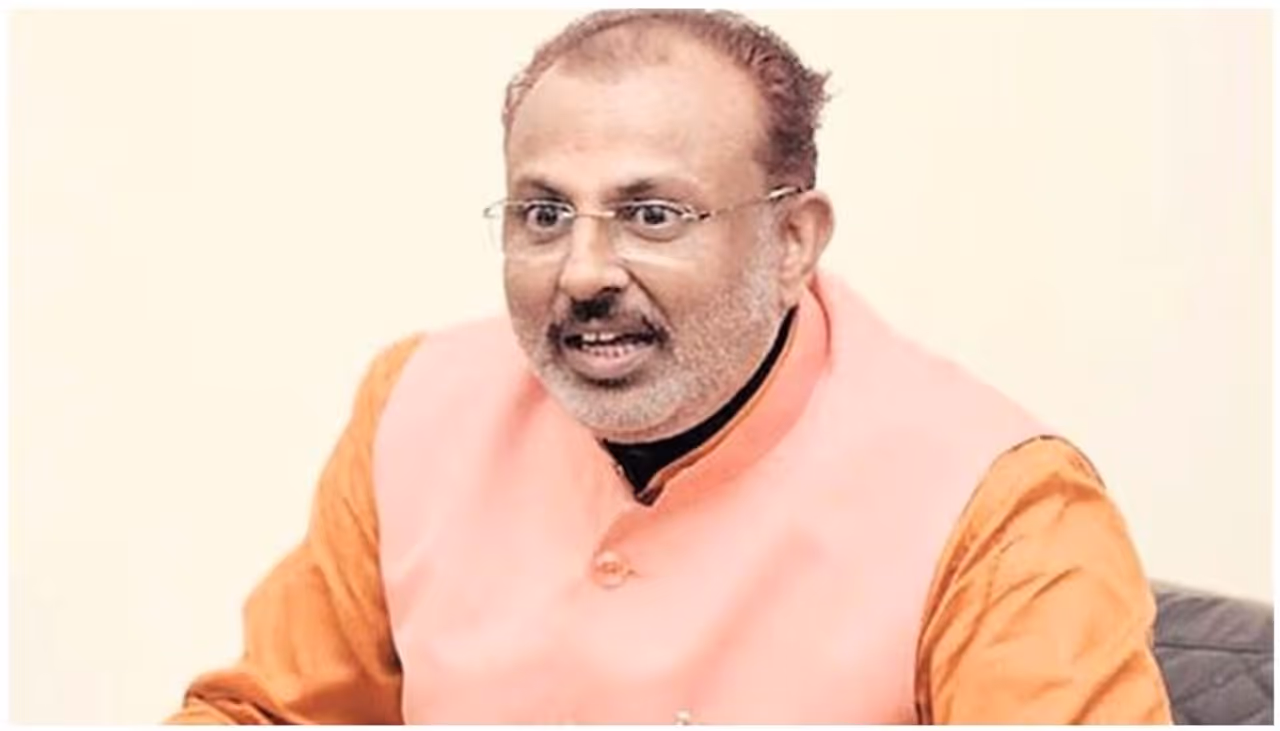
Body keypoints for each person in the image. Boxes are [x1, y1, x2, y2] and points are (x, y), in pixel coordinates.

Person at [168, 9, 1172, 724]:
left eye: (651, 214)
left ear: (791, 241)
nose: (584, 271)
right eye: (543, 213)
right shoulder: (417, 406)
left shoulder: (1002, 504)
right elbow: (267, 713)